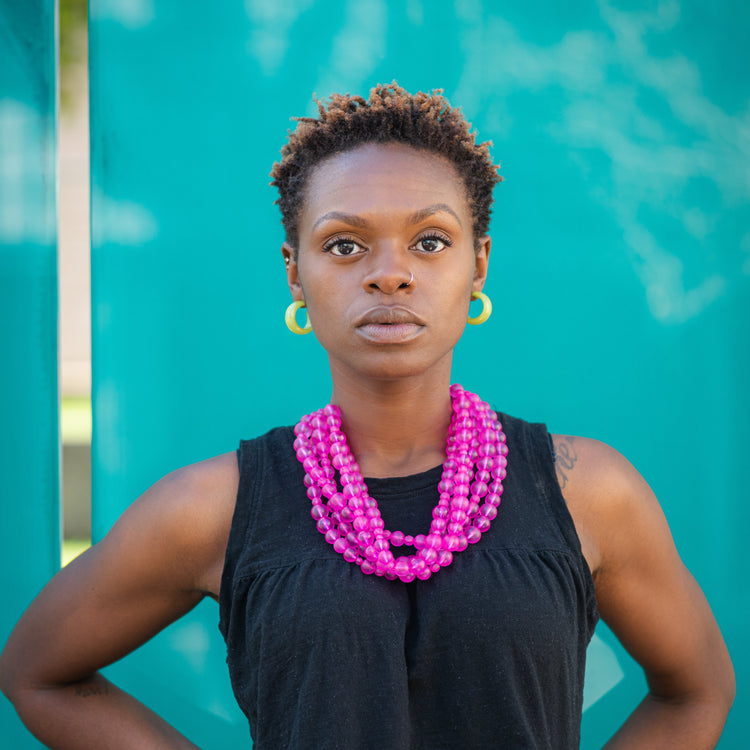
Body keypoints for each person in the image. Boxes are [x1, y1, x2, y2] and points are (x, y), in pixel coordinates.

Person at [0, 82, 735, 749]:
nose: (390, 271)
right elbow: (38, 671)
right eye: (345, 244)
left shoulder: (587, 491)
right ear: (295, 270)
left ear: (478, 264)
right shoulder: (215, 506)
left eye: (430, 241)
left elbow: (698, 691)